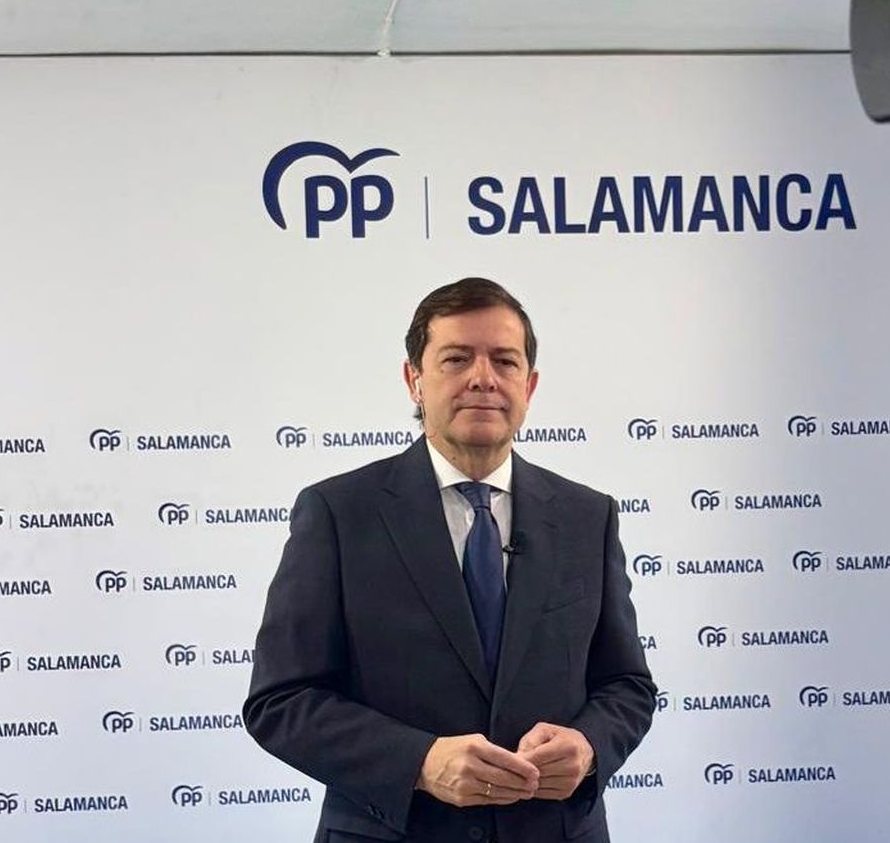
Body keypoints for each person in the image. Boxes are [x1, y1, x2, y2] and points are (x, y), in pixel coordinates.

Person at [244, 277, 656, 843]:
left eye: (505, 362)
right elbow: (281, 700)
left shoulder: (590, 516)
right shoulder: (339, 513)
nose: (483, 378)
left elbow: (627, 685)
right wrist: (420, 761)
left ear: (529, 386)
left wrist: (589, 747)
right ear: (414, 379)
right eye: (457, 358)